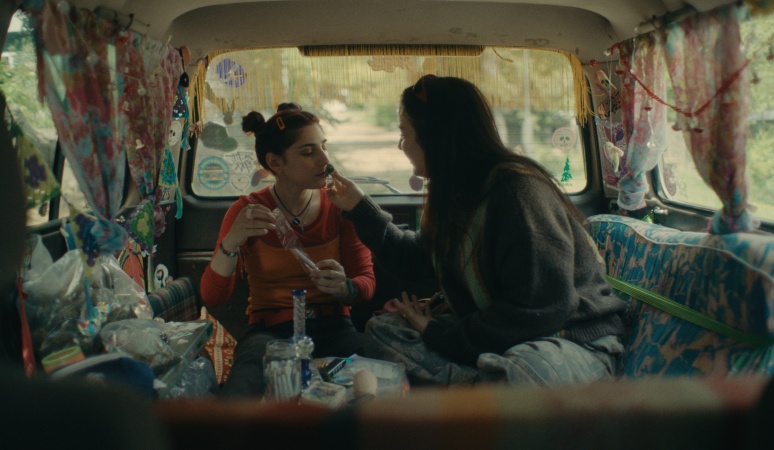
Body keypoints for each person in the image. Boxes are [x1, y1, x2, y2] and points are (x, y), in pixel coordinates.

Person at [326, 75, 626, 386]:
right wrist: (359, 208)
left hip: (567, 340)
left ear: (434, 136)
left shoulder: (517, 192)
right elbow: (418, 257)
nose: (401, 145)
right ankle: (486, 386)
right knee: (382, 331)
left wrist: (438, 334)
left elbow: (541, 310)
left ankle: (488, 386)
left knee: (523, 370)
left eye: (404, 134)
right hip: (501, 336)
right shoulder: (455, 194)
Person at [200, 103, 376, 397]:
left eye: (324, 147)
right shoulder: (248, 211)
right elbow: (213, 298)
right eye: (308, 152)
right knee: (243, 388)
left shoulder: (339, 206)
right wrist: (231, 242)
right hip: (270, 332)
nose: (326, 161)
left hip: (335, 327)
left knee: (377, 377)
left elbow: (366, 283)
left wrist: (345, 288)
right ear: (276, 163)